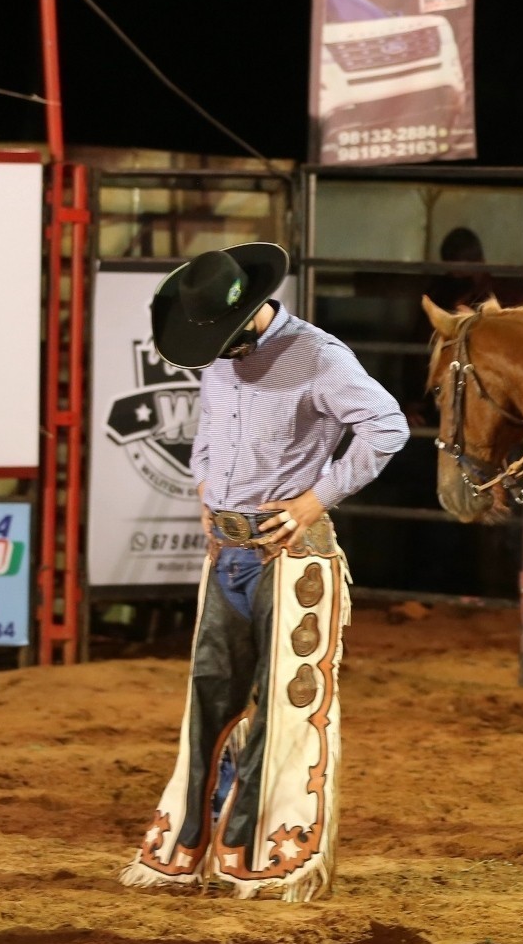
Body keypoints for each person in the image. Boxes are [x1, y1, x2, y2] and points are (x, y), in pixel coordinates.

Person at [120, 244, 409, 901]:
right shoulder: (223, 359)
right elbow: (209, 430)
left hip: (288, 551)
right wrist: (204, 485)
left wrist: (314, 500)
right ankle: (198, 842)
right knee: (212, 694)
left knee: (287, 705)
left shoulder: (320, 356)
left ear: (252, 312)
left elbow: (386, 427)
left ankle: (255, 851)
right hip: (230, 548)